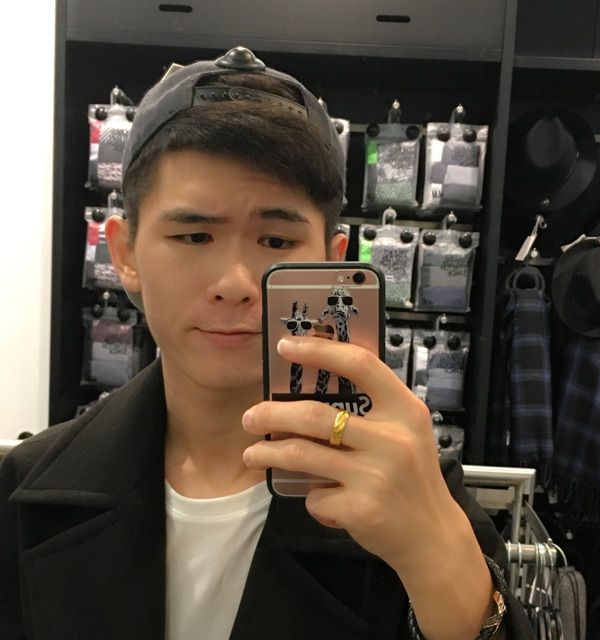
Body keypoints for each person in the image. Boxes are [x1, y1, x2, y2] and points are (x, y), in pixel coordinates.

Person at [0, 47, 533, 639]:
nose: (234, 283)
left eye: (277, 241)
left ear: (330, 262)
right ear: (124, 254)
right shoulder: (26, 490)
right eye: (194, 236)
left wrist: (438, 558)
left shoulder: (413, 489)